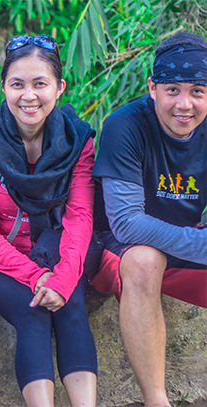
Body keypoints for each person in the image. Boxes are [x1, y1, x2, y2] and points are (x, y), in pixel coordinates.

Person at [0, 35, 98, 407]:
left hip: (53, 248)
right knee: (32, 311)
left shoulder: (76, 139)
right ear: (3, 86)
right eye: (17, 84)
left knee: (70, 304)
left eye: (40, 84)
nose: (28, 96)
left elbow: (80, 215)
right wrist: (38, 278)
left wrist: (64, 279)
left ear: (59, 87)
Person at [91, 31, 206, 407]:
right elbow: (126, 223)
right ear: (152, 87)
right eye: (173, 90)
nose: (184, 104)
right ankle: (157, 402)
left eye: (197, 91)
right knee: (144, 259)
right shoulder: (125, 125)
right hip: (116, 250)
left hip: (181, 244)